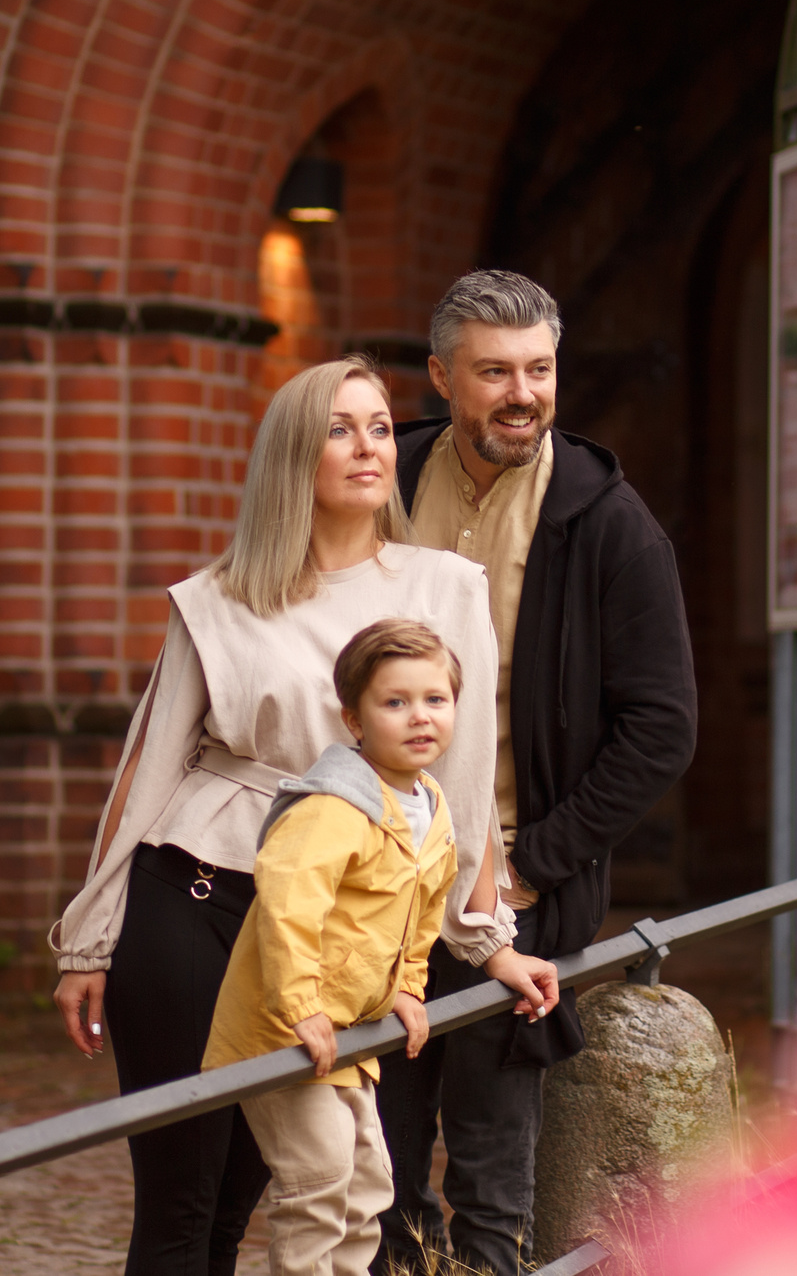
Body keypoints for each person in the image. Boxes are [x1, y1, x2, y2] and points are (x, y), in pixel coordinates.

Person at [50, 356, 516, 1276]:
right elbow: (147, 771)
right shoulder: (219, 599)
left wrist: (483, 935)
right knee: (183, 1203)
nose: (367, 446)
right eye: (338, 429)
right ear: (291, 457)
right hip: (193, 899)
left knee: (248, 1198)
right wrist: (88, 943)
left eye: (380, 425)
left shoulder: (446, 588)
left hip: (325, 926)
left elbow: (462, 787)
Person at [377, 270, 700, 1276]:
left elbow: (662, 727)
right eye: (493, 372)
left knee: (490, 1174)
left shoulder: (608, 523)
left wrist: (531, 868)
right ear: (440, 377)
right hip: (372, 876)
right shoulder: (381, 480)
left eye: (539, 370)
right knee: (370, 1163)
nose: (522, 393)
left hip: (512, 889)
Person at [205, 618, 560, 1276]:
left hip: (353, 1032)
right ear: (355, 717)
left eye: (435, 699)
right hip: (287, 1026)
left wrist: (406, 988)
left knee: (368, 1185)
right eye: (394, 702)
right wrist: (300, 1005)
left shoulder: (431, 803)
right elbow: (288, 906)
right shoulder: (333, 806)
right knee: (318, 1184)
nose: (419, 716)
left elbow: (422, 914)